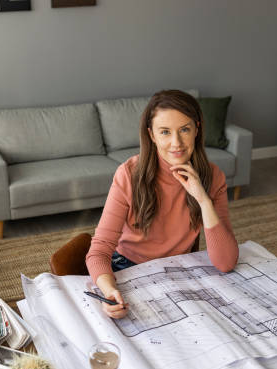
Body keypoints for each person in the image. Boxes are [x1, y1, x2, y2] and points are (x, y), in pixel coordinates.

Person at [85, 89, 239, 319]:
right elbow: (98, 251)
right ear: (152, 135)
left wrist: (203, 199)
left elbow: (226, 263)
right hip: (128, 268)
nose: (176, 143)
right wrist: (109, 291)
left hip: (178, 270)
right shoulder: (129, 174)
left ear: (197, 129)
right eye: (165, 132)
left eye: (184, 130)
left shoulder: (213, 177)